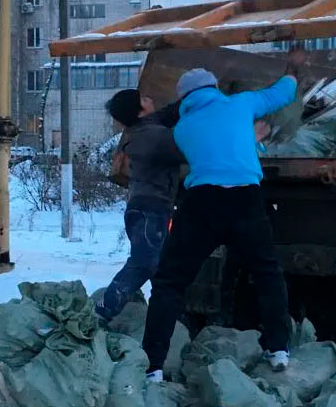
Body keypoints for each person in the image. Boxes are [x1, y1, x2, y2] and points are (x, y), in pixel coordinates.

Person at [141, 55, 303, 377]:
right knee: (266, 272)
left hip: (202, 203)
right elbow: (281, 94)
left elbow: (207, 146)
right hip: (245, 198)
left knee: (170, 283)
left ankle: (153, 365)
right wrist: (293, 71)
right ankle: (278, 348)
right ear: (215, 87)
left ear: (184, 99)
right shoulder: (241, 105)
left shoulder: (183, 129)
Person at [97, 89, 183, 323]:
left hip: (144, 206)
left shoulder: (140, 129)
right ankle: (105, 309)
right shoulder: (153, 136)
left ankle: (168, 317)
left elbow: (165, 114)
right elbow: (187, 148)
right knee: (144, 263)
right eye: (144, 98)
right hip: (151, 209)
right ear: (140, 110)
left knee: (161, 267)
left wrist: (190, 99)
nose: (151, 97)